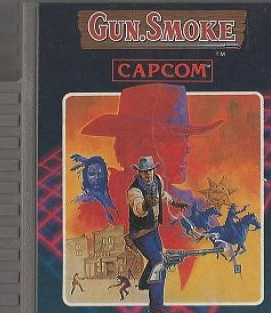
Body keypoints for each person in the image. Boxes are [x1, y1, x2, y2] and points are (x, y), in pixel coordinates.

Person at [81, 83, 222, 288]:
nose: (187, 149)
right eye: (175, 139)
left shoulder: (193, 206)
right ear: (143, 145)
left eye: (186, 138)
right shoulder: (97, 206)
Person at [127, 156, 186, 313]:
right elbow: (138, 209)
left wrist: (175, 203)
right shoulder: (134, 191)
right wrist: (146, 203)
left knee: (159, 262)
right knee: (159, 262)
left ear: (154, 170)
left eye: (150, 170)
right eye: (144, 171)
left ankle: (146, 284)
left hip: (153, 230)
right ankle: (156, 306)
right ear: (139, 172)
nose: (148, 174)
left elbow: (162, 194)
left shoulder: (158, 180)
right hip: (140, 234)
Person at [70, 154, 118, 230]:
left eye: (99, 173)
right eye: (92, 174)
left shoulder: (114, 194)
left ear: (105, 175)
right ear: (86, 177)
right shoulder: (83, 201)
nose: (96, 177)